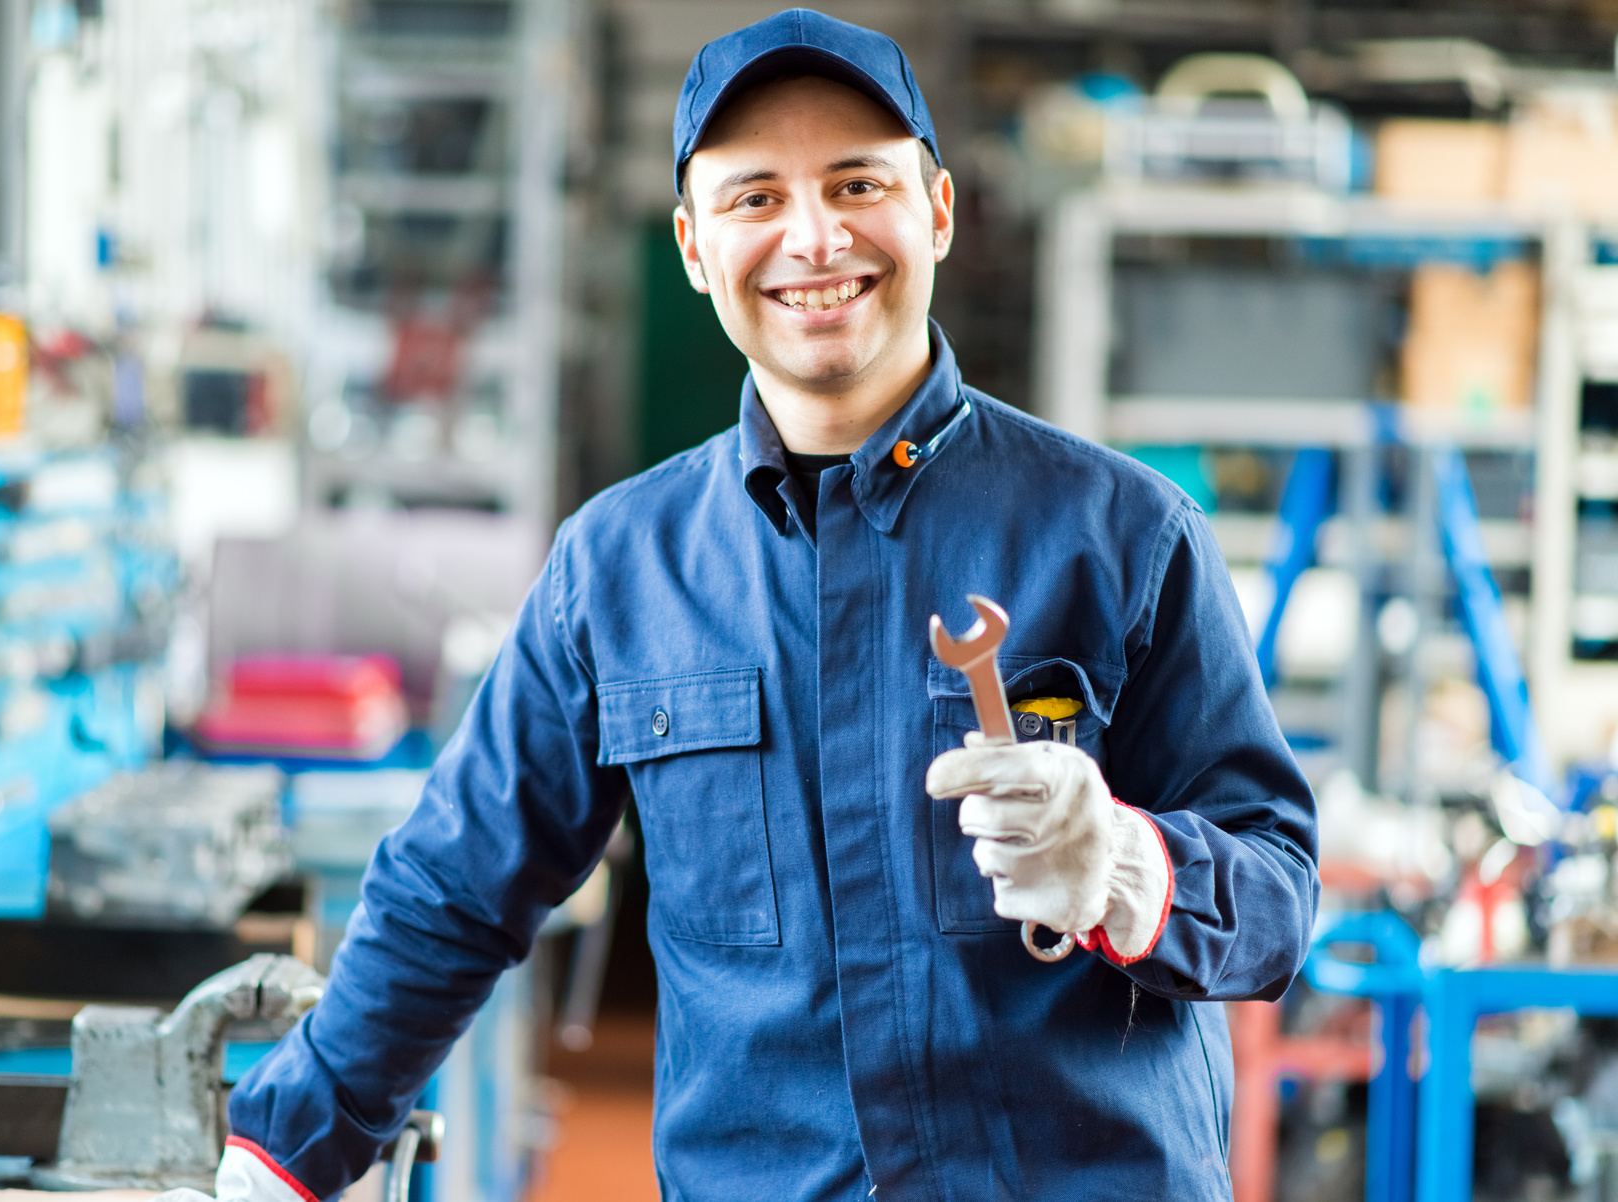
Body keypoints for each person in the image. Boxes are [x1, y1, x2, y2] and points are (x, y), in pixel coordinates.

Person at [219, 10, 1318, 1201]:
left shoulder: (1123, 536)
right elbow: (453, 890)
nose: (813, 236)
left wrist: (1126, 866)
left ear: (938, 211)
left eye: (859, 183)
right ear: (694, 246)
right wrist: (277, 1158)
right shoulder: (618, 570)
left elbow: (1276, 893)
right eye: (755, 198)